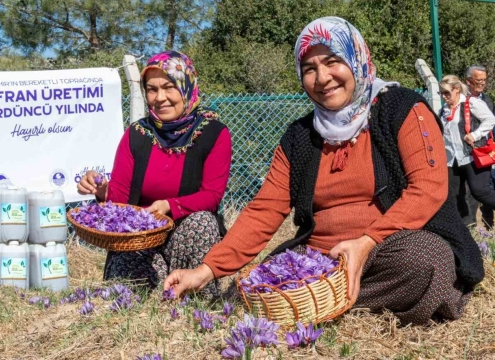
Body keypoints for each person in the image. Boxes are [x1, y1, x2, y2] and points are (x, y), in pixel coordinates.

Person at [163, 17, 484, 325]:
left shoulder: (402, 108)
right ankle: (327, 296)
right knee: (250, 286)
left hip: (390, 249)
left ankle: (316, 300)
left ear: (357, 58)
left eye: (333, 62)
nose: (322, 77)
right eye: (309, 69)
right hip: (322, 260)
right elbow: (265, 209)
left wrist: (367, 242)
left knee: (424, 262)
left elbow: (428, 187)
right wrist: (207, 270)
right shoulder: (299, 137)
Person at [77, 51, 232, 297]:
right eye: (151, 89)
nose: (160, 98)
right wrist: (101, 190)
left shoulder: (213, 134)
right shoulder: (136, 135)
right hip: (141, 242)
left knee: (202, 222)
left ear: (186, 87)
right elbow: (120, 197)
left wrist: (168, 206)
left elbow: (212, 195)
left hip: (186, 237)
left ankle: (199, 297)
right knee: (128, 293)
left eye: (169, 87)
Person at [438, 75, 495, 227]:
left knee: (480, 191)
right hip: (452, 159)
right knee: (455, 194)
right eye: (441, 93)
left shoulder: (471, 103)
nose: (444, 96)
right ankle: (467, 225)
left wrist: (475, 135)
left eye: (446, 93)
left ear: (456, 90)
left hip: (473, 155)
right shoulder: (443, 111)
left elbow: (490, 119)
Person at [464, 65, 495, 228]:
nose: (482, 83)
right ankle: (472, 226)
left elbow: (491, 124)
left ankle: (487, 225)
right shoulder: (460, 98)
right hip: (466, 153)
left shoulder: (487, 100)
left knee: (484, 189)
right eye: (479, 80)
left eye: (484, 80)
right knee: (469, 192)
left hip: (484, 151)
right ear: (468, 81)